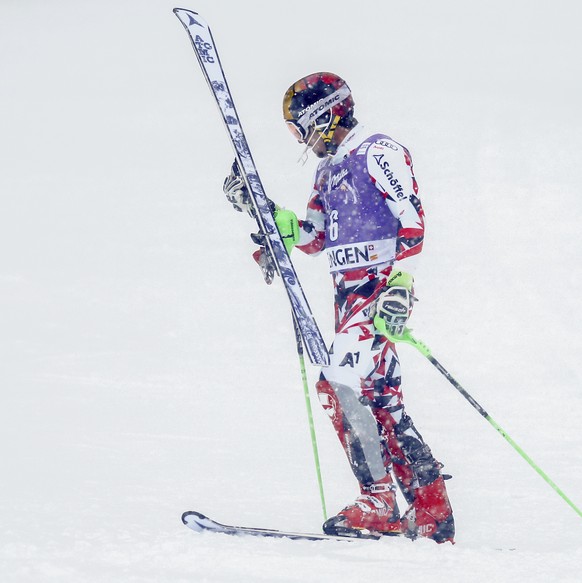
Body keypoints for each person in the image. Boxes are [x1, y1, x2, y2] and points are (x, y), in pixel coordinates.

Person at [223, 72, 454, 543]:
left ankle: (380, 498)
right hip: (346, 293)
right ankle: (432, 514)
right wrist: (264, 211)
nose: (302, 140)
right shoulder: (327, 170)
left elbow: (413, 226)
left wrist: (400, 287)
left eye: (301, 128)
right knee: (379, 398)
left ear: (326, 117)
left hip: (377, 289)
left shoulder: (378, 152)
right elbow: (313, 237)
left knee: (341, 382)